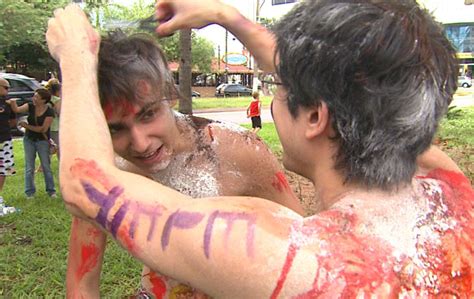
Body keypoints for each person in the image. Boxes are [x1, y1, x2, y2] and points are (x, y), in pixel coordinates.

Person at [47, 1, 473, 297]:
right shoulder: (448, 186)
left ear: (314, 117)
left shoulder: (284, 254)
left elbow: (85, 182)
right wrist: (225, 16)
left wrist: (76, 57)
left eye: (279, 86)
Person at [64, 30, 303, 298]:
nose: (140, 143)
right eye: (116, 130)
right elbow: (81, 283)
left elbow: (305, 246)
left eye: (148, 114)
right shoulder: (107, 171)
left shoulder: (237, 151)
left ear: (171, 93)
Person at [8, 88, 56, 198]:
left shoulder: (49, 112)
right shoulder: (30, 106)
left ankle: (51, 191)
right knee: (29, 167)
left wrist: (26, 126)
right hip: (29, 139)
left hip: (42, 141)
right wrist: (13, 102)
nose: (34, 99)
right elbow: (17, 110)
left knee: (46, 166)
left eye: (36, 97)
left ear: (43, 100)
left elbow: (43, 129)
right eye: (34, 96)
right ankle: (29, 192)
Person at [0, 78, 17, 202]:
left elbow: (12, 121)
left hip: (5, 140)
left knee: (4, 169)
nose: (8, 90)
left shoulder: (7, 104)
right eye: (6, 87)